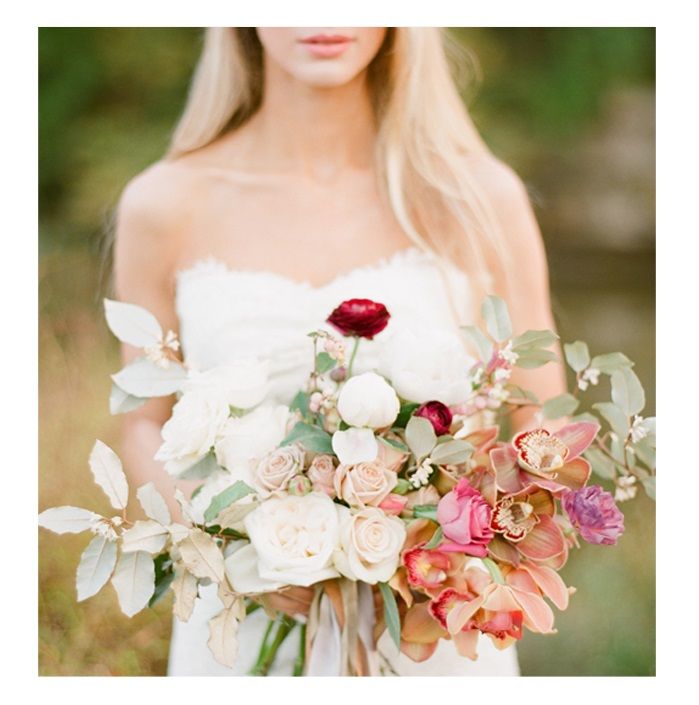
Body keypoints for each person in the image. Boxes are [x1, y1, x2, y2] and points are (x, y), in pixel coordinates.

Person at [113, 27, 565, 676]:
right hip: (238, 633)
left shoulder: (479, 196)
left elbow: (540, 417)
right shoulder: (163, 202)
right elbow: (143, 423)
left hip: (430, 629)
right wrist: (233, 547)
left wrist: (445, 535)